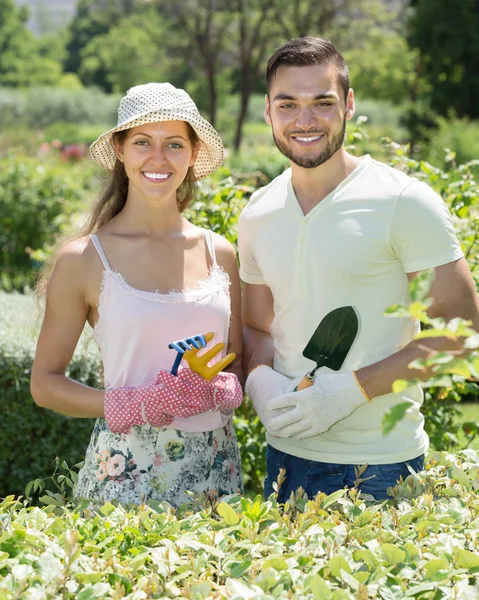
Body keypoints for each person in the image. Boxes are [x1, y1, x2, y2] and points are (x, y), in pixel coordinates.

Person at [239, 37, 479, 502]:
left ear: (348, 105)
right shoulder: (258, 211)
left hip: (380, 465)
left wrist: (349, 393)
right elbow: (256, 326)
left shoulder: (403, 202)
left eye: (322, 103)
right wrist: (259, 379)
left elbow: (464, 333)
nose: (304, 121)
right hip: (283, 458)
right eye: (288, 104)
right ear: (267, 112)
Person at [31, 83, 244, 507]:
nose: (158, 159)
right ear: (121, 150)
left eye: (174, 144)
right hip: (123, 477)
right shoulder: (86, 259)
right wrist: (131, 404)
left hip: (216, 477)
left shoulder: (219, 252)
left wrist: (229, 386)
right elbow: (44, 384)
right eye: (143, 142)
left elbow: (235, 358)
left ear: (192, 153)